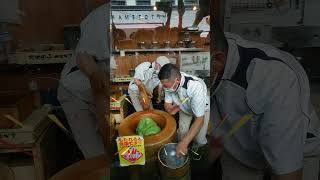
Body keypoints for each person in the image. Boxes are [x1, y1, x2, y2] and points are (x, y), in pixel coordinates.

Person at [209, 15, 320, 180]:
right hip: (237, 148)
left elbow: (287, 174)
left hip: (297, 149)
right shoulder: (209, 52)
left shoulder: (274, 80)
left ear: (217, 60)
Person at [57, 3, 111, 159]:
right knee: (98, 157)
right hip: (77, 93)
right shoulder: (102, 15)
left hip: (106, 91)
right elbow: (84, 58)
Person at [158, 64, 210, 157]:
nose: (164, 87)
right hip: (184, 107)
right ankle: (182, 150)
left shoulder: (195, 86)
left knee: (199, 139)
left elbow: (199, 119)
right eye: (163, 85)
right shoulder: (168, 83)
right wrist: (169, 109)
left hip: (202, 109)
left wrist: (184, 142)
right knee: (182, 132)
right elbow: (167, 103)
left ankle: (196, 151)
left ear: (177, 80)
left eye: (165, 85)